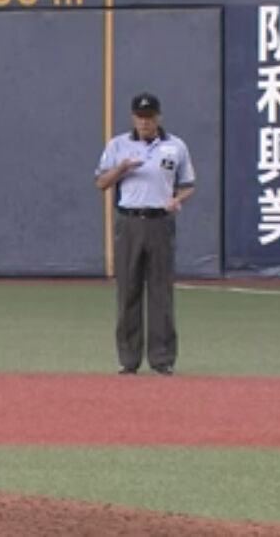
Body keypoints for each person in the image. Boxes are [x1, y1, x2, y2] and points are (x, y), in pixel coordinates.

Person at [95, 93, 195, 376]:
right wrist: (121, 168)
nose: (145, 122)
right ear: (133, 118)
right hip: (129, 221)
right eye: (140, 117)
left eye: (149, 117)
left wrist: (177, 199)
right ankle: (128, 359)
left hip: (160, 221)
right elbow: (101, 183)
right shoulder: (118, 145)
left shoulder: (175, 146)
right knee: (128, 290)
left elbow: (188, 184)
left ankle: (162, 359)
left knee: (161, 291)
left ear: (158, 117)